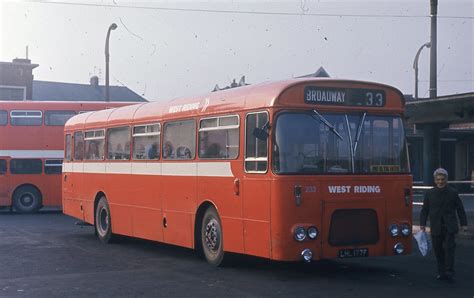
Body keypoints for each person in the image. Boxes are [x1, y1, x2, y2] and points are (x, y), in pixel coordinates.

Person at [420, 168, 468, 281]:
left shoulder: (453, 192)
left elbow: (460, 209)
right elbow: (424, 210)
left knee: (449, 250)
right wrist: (422, 224)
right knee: (438, 251)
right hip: (436, 227)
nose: (440, 181)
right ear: (435, 180)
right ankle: (441, 273)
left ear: (446, 179)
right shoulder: (430, 193)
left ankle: (449, 272)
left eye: (442, 179)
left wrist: (464, 224)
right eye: (438, 179)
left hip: (450, 227)